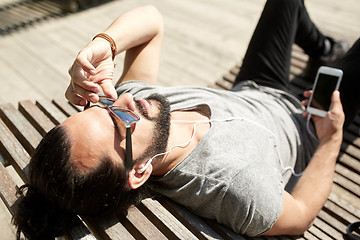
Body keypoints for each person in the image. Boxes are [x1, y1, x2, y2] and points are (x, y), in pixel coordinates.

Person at [12, 0, 360, 239]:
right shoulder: (234, 186)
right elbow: (299, 215)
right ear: (138, 171)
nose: (126, 98)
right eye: (118, 119)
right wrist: (331, 138)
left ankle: (324, 49)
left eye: (100, 106)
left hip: (254, 88)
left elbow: (152, 21)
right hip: (309, 124)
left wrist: (104, 44)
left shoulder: (141, 116)